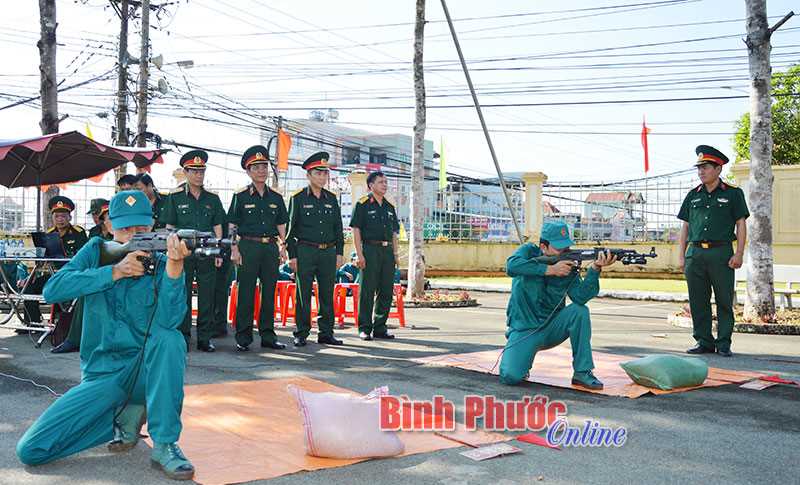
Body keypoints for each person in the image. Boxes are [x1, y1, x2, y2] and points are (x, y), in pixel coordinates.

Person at [16, 190, 195, 481]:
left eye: (141, 228)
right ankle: (123, 420)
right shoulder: (97, 251)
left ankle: (164, 444)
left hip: (145, 371)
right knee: (31, 449)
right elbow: (53, 290)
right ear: (109, 226)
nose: (133, 234)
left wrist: (175, 268)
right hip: (104, 374)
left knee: (170, 339)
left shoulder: (163, 262)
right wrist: (113, 272)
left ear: (152, 226)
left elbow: (171, 321)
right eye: (125, 228)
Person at [498, 221, 616, 390]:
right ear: (543, 247)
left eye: (567, 247)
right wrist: (550, 270)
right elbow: (511, 266)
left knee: (579, 311)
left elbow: (580, 297)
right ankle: (520, 356)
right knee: (510, 376)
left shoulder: (568, 265)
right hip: (525, 329)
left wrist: (596, 269)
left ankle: (582, 372)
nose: (565, 252)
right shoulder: (528, 252)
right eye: (560, 248)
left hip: (552, 329)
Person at [678, 145, 749, 357]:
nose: (701, 172)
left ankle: (724, 342)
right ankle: (704, 341)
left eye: (705, 167)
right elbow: (685, 227)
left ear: (718, 169)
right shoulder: (693, 195)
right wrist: (682, 255)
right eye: (699, 168)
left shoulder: (734, 194)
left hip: (721, 254)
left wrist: (739, 253)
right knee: (698, 300)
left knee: (724, 300)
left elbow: (741, 224)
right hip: (696, 254)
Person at [162, 150, 226, 352]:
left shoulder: (213, 199)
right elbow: (169, 228)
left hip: (207, 253)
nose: (199, 175)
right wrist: (171, 252)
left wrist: (218, 252)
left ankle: (205, 338)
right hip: (183, 253)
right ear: (186, 172)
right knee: (183, 294)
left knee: (207, 295)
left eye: (202, 171)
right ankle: (183, 336)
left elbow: (218, 227)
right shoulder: (175, 197)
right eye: (195, 171)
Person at [227, 145, 289, 352]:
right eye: (256, 167)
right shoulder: (241, 196)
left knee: (269, 292)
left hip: (270, 248)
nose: (262, 170)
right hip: (247, 247)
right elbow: (232, 225)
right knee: (246, 292)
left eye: (264, 166)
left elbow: (282, 225)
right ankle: (243, 337)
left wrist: (283, 246)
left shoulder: (276, 198)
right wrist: (234, 249)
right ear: (248, 171)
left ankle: (268, 336)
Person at [286, 151, 344, 347]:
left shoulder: (332, 198)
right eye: (317, 173)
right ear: (308, 175)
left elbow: (338, 228)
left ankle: (326, 332)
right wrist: (292, 256)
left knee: (327, 293)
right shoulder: (298, 198)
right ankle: (301, 333)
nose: (322, 177)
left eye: (324, 173)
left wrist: (339, 253)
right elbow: (290, 231)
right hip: (306, 251)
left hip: (328, 252)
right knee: (303, 294)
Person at [21, 196, 87, 326]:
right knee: (29, 287)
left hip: (72, 275)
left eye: (63, 216)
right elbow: (40, 258)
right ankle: (32, 322)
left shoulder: (78, 233)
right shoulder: (49, 234)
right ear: (52, 218)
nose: (60, 220)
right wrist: (39, 266)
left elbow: (84, 255)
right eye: (57, 216)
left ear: (69, 217)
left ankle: (65, 324)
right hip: (54, 274)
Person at [349, 171, 400, 341]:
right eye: (381, 182)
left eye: (386, 182)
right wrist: (359, 254)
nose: (384, 185)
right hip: (370, 250)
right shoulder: (362, 204)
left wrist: (395, 253)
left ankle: (380, 327)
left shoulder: (389, 207)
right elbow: (356, 229)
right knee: (367, 291)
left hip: (387, 252)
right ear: (371, 185)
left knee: (386, 290)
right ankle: (364, 328)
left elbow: (394, 233)